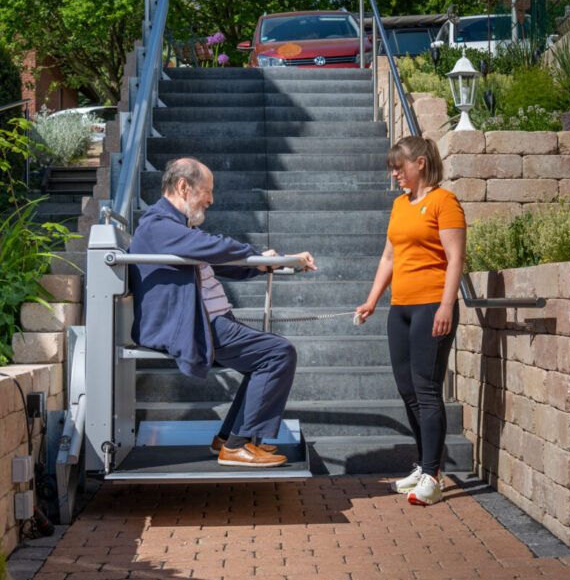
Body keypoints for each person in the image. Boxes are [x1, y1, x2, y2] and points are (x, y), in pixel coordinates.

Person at [129, 158, 316, 467]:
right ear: (184, 186)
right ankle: (238, 445)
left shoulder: (175, 227)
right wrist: (258, 256)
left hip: (209, 323)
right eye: (207, 191)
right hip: (195, 327)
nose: (211, 199)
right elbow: (214, 247)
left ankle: (227, 438)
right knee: (278, 353)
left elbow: (224, 263)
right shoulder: (157, 224)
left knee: (266, 358)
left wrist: (276, 261)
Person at [356, 136, 466, 505]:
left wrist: (447, 306)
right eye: (392, 167)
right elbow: (389, 257)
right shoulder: (400, 205)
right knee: (407, 390)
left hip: (432, 305)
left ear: (420, 163)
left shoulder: (444, 202)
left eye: (399, 166)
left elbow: (455, 259)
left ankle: (433, 477)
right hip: (400, 309)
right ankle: (423, 466)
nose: (395, 173)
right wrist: (372, 301)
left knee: (427, 390)